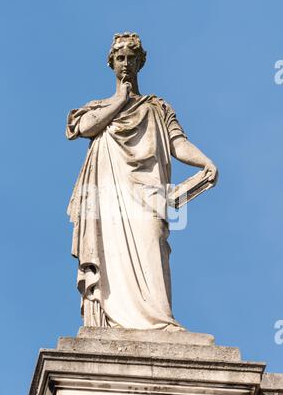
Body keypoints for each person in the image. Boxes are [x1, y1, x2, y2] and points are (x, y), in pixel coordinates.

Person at [66, 32, 218, 330]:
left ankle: (159, 320)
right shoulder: (99, 107)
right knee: (108, 250)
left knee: (153, 239)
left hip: (148, 192)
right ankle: (111, 320)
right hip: (109, 192)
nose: (125, 63)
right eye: (120, 58)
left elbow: (178, 143)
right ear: (111, 63)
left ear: (140, 62)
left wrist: (205, 162)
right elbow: (84, 127)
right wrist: (120, 100)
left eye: (131, 58)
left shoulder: (157, 107)